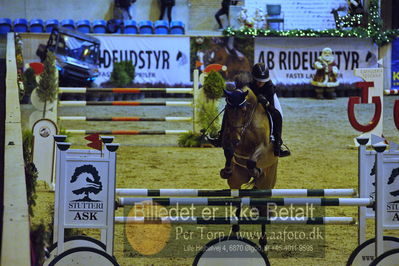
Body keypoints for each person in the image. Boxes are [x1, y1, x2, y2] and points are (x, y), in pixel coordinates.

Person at [248, 63, 291, 158]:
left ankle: (277, 143)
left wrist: (266, 103)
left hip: (268, 101)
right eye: (258, 81)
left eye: (262, 81)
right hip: (254, 104)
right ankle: (221, 136)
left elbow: (271, 107)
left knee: (278, 115)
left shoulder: (269, 87)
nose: (260, 83)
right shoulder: (250, 84)